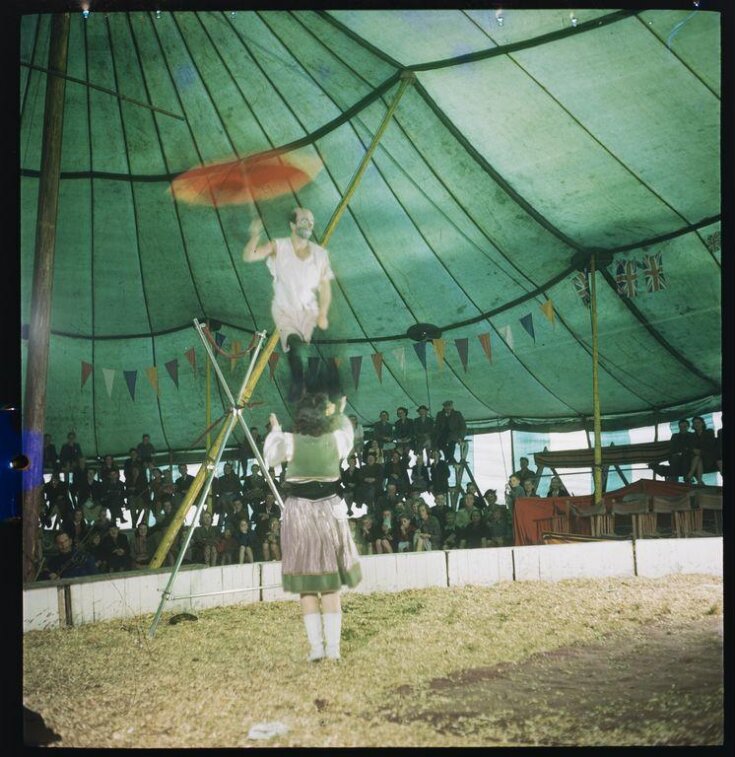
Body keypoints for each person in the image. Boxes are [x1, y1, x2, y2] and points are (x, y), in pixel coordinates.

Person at [263, 392, 361, 661]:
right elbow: (347, 433)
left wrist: (275, 430)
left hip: (300, 513)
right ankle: (333, 651)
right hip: (329, 511)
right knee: (330, 585)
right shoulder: (337, 440)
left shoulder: (289, 442)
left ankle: (317, 650)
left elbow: (270, 457)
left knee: (307, 585)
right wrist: (339, 414)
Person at [243, 209, 336, 401]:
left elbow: (325, 287)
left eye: (311, 221)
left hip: (310, 310)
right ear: (293, 225)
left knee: (316, 348)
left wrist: (323, 313)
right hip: (285, 309)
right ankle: (297, 382)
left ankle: (315, 386)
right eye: (303, 221)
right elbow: (250, 256)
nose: (309, 224)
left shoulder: (320, 254)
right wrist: (255, 234)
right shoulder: (279, 246)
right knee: (293, 342)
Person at [685, 416, 717, 485]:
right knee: (698, 458)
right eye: (694, 423)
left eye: (698, 422)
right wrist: (694, 449)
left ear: (702, 423)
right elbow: (690, 447)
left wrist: (700, 450)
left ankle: (689, 475)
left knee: (697, 457)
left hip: (708, 458)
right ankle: (699, 481)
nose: (696, 424)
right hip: (697, 458)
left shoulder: (709, 432)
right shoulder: (692, 435)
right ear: (693, 425)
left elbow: (710, 445)